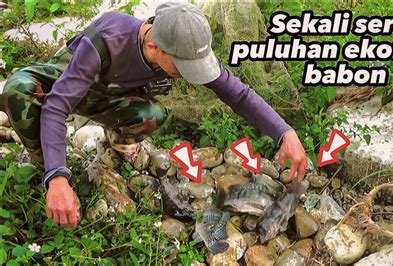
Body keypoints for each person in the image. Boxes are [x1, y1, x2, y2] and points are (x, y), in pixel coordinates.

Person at [0, 2, 307, 229]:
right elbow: (57, 105)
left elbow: (237, 94)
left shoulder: (183, 43)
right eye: (182, 66)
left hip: (110, 97)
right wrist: (57, 177)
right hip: (66, 83)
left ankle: (118, 145)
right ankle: (43, 162)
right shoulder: (108, 37)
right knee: (17, 90)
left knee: (153, 113)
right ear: (154, 45)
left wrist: (285, 132)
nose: (188, 75)